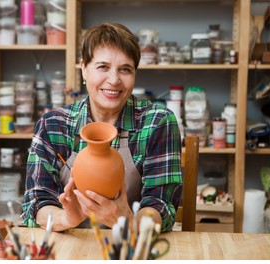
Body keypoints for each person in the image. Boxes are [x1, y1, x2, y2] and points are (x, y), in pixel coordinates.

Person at [22, 22, 182, 232]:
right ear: (84, 69)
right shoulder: (52, 125)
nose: (114, 80)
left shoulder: (157, 122)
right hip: (69, 246)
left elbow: (161, 205)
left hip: (131, 246)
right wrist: (66, 218)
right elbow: (35, 204)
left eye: (125, 69)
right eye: (103, 67)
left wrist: (129, 221)